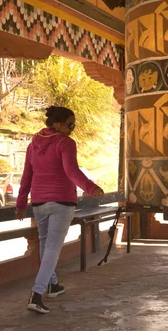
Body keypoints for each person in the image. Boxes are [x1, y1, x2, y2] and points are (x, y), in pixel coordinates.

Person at [16, 106, 104, 314]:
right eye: (69, 124)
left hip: (39, 203)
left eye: (73, 125)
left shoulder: (33, 144)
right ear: (56, 124)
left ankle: (52, 284)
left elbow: (26, 176)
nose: (72, 128)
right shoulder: (65, 143)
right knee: (53, 249)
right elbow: (71, 171)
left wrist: (21, 203)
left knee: (46, 244)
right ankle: (36, 294)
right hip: (61, 202)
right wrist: (91, 188)